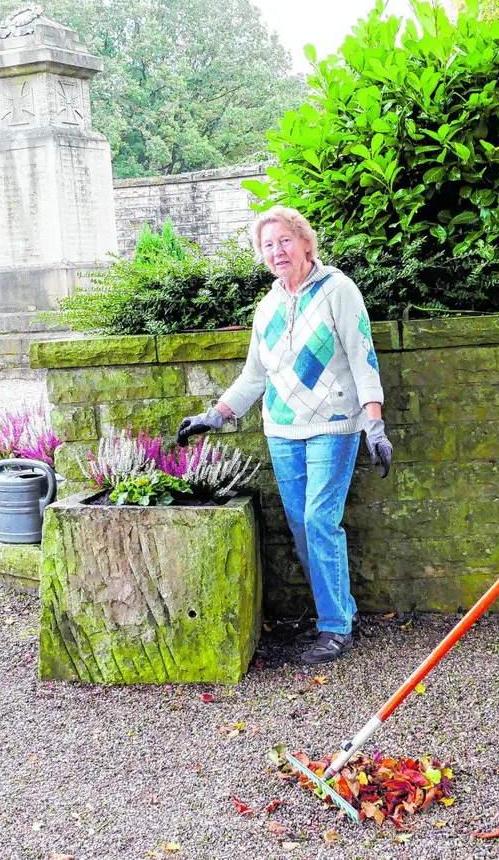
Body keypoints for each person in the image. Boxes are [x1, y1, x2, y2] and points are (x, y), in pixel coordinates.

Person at [175, 206, 393, 666]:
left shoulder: (338, 290)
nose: (277, 250)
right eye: (268, 245)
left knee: (319, 520)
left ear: (306, 243)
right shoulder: (268, 305)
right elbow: (255, 376)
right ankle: (342, 611)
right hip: (281, 428)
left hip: (334, 424)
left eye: (285, 240)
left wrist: (374, 424)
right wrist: (214, 415)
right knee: (300, 527)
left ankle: (334, 628)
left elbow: (363, 358)